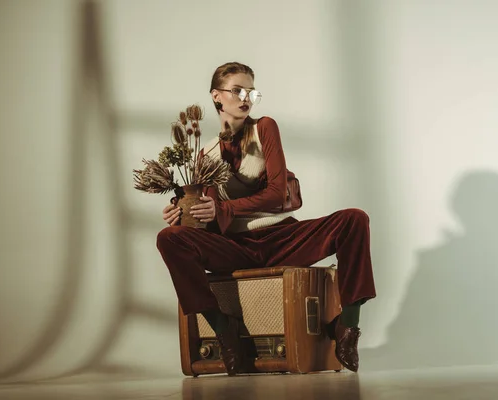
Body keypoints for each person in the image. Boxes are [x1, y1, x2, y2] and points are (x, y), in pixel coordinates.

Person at [156, 62, 376, 375]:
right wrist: (182, 214)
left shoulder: (264, 128)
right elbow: (210, 217)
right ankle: (223, 328)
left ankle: (347, 326)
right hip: (236, 248)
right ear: (217, 97)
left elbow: (275, 194)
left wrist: (226, 209)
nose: (245, 97)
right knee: (169, 238)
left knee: (354, 219)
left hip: (282, 239)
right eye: (237, 90)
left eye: (251, 92)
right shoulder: (205, 153)